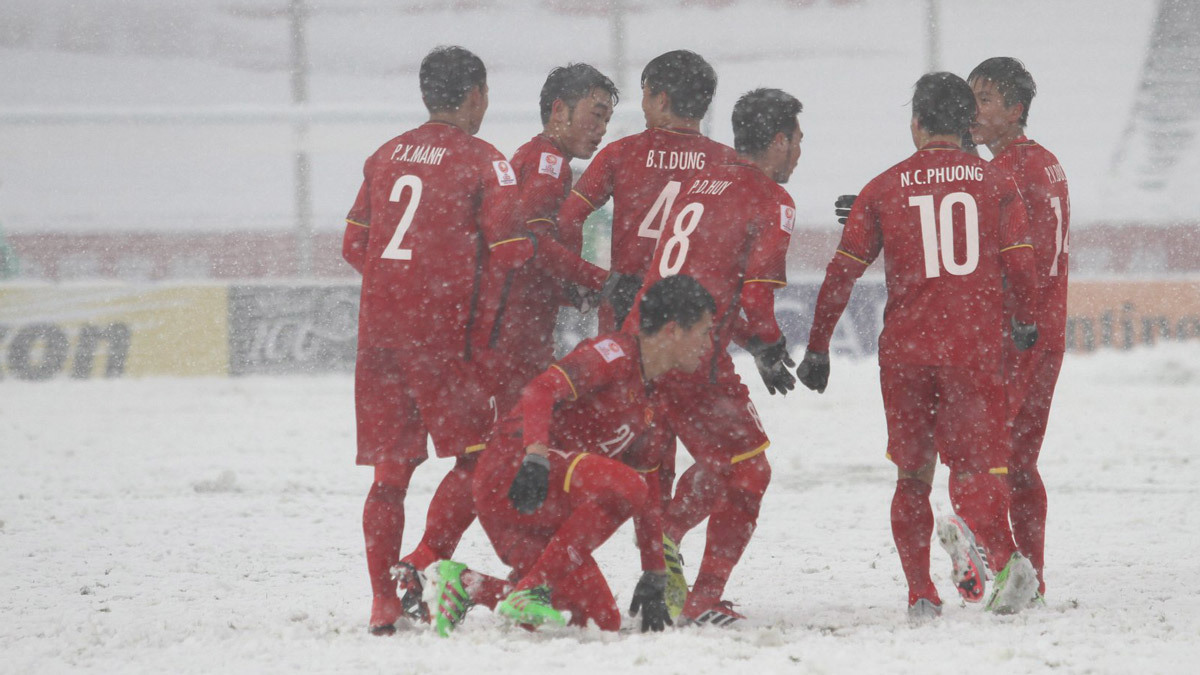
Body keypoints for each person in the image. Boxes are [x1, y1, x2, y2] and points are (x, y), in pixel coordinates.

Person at [796, 72, 1042, 621]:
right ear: (968, 125)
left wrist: (817, 347)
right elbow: (1022, 265)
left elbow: (841, 273)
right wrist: (1025, 318)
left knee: (911, 475)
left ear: (916, 123)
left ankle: (920, 594)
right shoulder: (997, 183)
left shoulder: (883, 187)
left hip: (905, 352)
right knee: (975, 470)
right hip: (972, 349)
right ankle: (1004, 562)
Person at [341, 45, 529, 635]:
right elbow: (510, 254)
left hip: (380, 335)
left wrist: (399, 284)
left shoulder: (384, 155)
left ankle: (382, 602)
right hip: (446, 337)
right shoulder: (486, 161)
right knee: (480, 457)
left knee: (389, 475)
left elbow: (354, 246)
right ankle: (419, 561)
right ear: (476, 96)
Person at [421, 275, 717, 636]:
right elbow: (539, 390)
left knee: (597, 621)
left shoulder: (653, 398)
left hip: (542, 513)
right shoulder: (614, 354)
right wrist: (536, 456)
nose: (709, 345)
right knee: (627, 485)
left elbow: (649, 490)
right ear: (673, 330)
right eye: (704, 332)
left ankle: (468, 584)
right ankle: (535, 586)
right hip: (513, 476)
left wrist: (653, 571)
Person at [628, 88, 804, 626]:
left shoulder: (697, 182)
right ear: (777, 141)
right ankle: (700, 591)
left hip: (645, 345)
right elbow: (754, 297)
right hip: (693, 356)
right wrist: (771, 346)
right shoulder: (771, 199)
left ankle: (664, 546)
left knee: (712, 464)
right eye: (797, 141)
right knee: (751, 472)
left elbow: (702, 269)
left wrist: (752, 343)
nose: (799, 153)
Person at [969, 57, 1070, 601]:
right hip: (1047, 333)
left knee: (987, 459)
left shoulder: (1004, 172)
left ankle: (1002, 562)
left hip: (1017, 334)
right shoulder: (1047, 163)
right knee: (1022, 462)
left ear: (1016, 109)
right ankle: (1033, 574)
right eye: (971, 99)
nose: (973, 110)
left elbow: (1012, 260)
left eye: (984, 100)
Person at [471, 63, 620, 419]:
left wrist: (567, 291)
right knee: (516, 445)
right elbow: (532, 243)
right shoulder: (548, 163)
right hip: (514, 337)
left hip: (512, 330)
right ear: (558, 110)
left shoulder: (537, 155)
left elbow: (524, 257)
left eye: (606, 121)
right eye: (595, 116)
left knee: (514, 445)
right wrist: (603, 280)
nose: (601, 130)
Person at [557, 49, 739, 333]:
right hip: (693, 322)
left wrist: (583, 278)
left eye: (645, 94)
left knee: (621, 372)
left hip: (628, 309)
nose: (642, 104)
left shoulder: (620, 153)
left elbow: (568, 218)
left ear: (662, 99)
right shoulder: (729, 164)